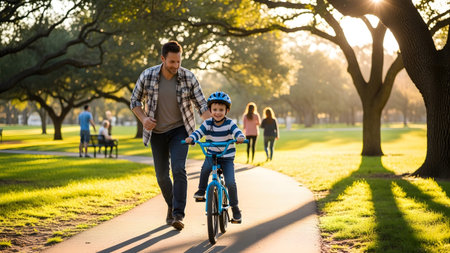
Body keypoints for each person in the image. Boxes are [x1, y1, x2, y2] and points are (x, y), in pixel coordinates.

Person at [130, 41, 210, 231]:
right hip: (156, 132)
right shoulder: (148, 75)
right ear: (163, 58)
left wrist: (213, 128)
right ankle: (172, 205)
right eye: (172, 62)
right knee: (162, 177)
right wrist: (143, 119)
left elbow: (202, 106)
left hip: (180, 130)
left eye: (178, 62)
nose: (176, 66)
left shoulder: (188, 77)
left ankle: (178, 214)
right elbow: (134, 101)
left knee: (178, 169)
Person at [185, 91, 246, 223]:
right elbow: (199, 132)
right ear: (210, 110)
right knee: (205, 170)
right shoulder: (208, 123)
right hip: (211, 156)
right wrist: (192, 138)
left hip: (227, 157)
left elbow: (237, 131)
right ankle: (201, 191)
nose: (217, 112)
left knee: (230, 182)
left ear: (227, 110)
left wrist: (240, 137)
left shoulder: (230, 123)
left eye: (221, 110)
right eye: (214, 109)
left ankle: (235, 208)